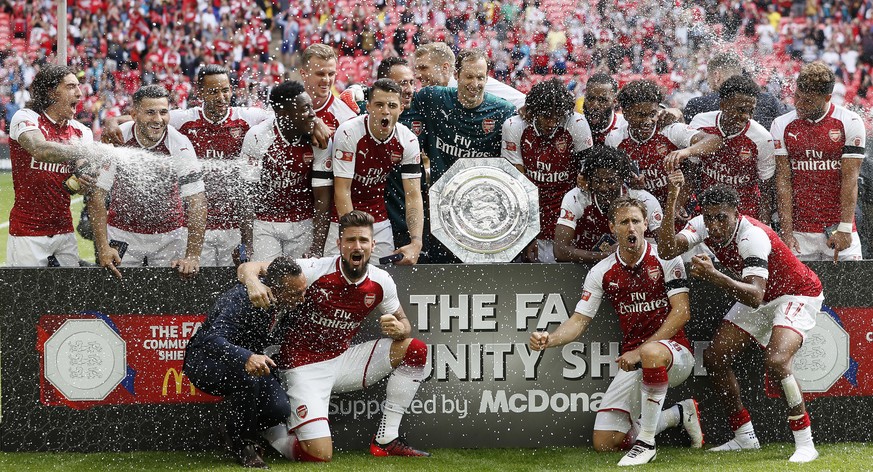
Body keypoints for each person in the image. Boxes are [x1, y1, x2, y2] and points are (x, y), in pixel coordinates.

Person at [237, 210, 430, 461]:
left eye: (363, 240)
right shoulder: (315, 269)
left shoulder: (382, 281)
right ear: (339, 244)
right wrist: (253, 282)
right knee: (319, 455)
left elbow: (405, 324)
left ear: (373, 244)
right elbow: (247, 267)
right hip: (303, 367)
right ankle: (273, 432)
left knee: (414, 348)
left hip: (344, 361)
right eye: (350, 240)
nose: (356, 246)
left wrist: (400, 328)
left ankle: (387, 439)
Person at [658, 175, 824, 463]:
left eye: (722, 218)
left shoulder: (753, 236)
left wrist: (715, 276)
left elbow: (755, 297)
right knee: (714, 357)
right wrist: (672, 197)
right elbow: (667, 250)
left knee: (776, 361)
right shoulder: (702, 225)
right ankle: (744, 436)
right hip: (759, 295)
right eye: (709, 219)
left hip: (796, 294)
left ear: (737, 213)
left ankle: (805, 441)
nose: (715, 226)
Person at [529, 196, 703, 466]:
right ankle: (679, 415)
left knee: (651, 352)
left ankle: (646, 443)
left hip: (674, 355)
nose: (631, 227)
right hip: (634, 362)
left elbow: (681, 312)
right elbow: (578, 321)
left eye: (636, 221)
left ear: (646, 224)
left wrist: (638, 351)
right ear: (612, 227)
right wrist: (549, 339)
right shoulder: (602, 272)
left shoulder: (666, 258)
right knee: (605, 442)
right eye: (624, 222)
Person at [183, 256, 306, 469]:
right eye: (296, 293)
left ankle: (232, 424)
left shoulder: (286, 298)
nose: (302, 298)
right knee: (247, 376)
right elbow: (211, 340)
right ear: (276, 289)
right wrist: (246, 357)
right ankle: (244, 445)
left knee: (279, 410)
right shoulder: (242, 298)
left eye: (303, 290)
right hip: (206, 361)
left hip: (248, 364)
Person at [89, 85, 206, 278]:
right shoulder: (118, 138)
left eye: (163, 112)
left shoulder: (180, 143)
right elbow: (97, 195)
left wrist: (192, 255)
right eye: (150, 112)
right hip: (122, 233)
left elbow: (197, 200)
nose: (158, 120)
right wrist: (102, 247)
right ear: (134, 114)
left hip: (169, 236)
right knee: (120, 300)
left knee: (166, 301)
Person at [411, 48, 517, 262]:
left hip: (482, 212)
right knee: (441, 272)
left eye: (480, 77)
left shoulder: (503, 111)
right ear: (456, 75)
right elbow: (396, 100)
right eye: (469, 76)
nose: (475, 83)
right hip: (442, 208)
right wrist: (362, 94)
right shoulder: (431, 98)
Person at [771, 61, 865, 261]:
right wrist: (786, 233)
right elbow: (783, 182)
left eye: (808, 101)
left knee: (850, 291)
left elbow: (850, 180)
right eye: (797, 97)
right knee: (798, 293)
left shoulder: (850, 122)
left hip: (839, 228)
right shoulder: (781, 124)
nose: (799, 104)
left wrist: (845, 228)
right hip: (799, 233)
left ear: (827, 97)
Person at [7, 64, 95, 267]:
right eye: (71, 86)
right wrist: (84, 151)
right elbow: (40, 150)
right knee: (29, 297)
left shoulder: (82, 132)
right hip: (27, 232)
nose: (80, 93)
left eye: (79, 86)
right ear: (51, 91)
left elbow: (81, 177)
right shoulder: (26, 117)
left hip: (64, 231)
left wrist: (85, 179)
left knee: (67, 296)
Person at [328, 79, 424, 263]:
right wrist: (354, 236)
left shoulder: (409, 140)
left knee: (382, 280)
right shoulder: (349, 132)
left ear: (401, 109)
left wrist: (416, 243)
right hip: (343, 217)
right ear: (369, 107)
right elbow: (342, 190)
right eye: (379, 105)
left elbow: (413, 195)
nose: (385, 111)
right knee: (335, 281)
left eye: (392, 105)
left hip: (377, 219)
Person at [239, 80, 333, 262]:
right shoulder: (258, 137)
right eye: (305, 109)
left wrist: (317, 247)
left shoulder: (318, 141)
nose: (313, 115)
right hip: (264, 223)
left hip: (303, 223)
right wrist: (248, 245)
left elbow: (323, 198)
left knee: (299, 283)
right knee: (265, 279)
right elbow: (246, 197)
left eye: (311, 108)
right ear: (283, 114)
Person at [502, 78, 593, 262]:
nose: (552, 122)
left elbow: (585, 175)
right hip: (534, 205)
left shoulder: (576, 123)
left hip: (567, 207)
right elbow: (518, 185)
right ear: (533, 112)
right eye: (546, 116)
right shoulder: (514, 126)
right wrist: (528, 234)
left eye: (557, 116)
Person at [606, 79, 722, 214]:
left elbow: (715, 141)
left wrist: (685, 152)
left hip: (677, 209)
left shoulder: (670, 130)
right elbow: (612, 179)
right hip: (641, 212)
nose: (648, 122)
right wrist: (629, 182)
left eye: (652, 114)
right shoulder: (615, 139)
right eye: (640, 115)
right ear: (625, 113)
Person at [672, 74, 776, 223]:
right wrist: (679, 204)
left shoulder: (762, 138)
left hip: (745, 216)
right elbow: (691, 174)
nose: (746, 116)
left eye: (750, 111)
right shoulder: (701, 122)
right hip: (709, 213)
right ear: (723, 104)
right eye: (740, 110)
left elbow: (766, 192)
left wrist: (763, 228)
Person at [554, 145, 662, 263]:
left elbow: (665, 247)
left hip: (631, 268)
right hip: (586, 270)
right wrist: (608, 257)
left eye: (610, 181)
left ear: (622, 179)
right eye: (597, 181)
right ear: (589, 180)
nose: (603, 188)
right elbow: (560, 251)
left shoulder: (643, 200)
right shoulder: (576, 198)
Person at [376, 57, 428, 254]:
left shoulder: (424, 109)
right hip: (377, 216)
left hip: (410, 216)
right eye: (402, 83)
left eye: (411, 82)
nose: (408, 89)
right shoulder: (365, 111)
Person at [683, 52, 788, 130]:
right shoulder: (769, 100)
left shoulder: (697, 104)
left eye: (708, 78)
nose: (708, 83)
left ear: (716, 75)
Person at [413, 42, 526, 107]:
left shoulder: (471, 83)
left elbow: (521, 102)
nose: (418, 75)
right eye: (417, 69)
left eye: (423, 68)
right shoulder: (434, 95)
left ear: (445, 67)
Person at [300, 44, 358, 133]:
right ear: (304, 74)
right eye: (320, 74)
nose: (326, 80)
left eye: (331, 74)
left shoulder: (346, 117)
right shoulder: (286, 110)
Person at [583, 72, 627, 146]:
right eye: (590, 98)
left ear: (614, 101)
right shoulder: (575, 125)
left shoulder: (625, 128)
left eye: (602, 100)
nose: (595, 106)